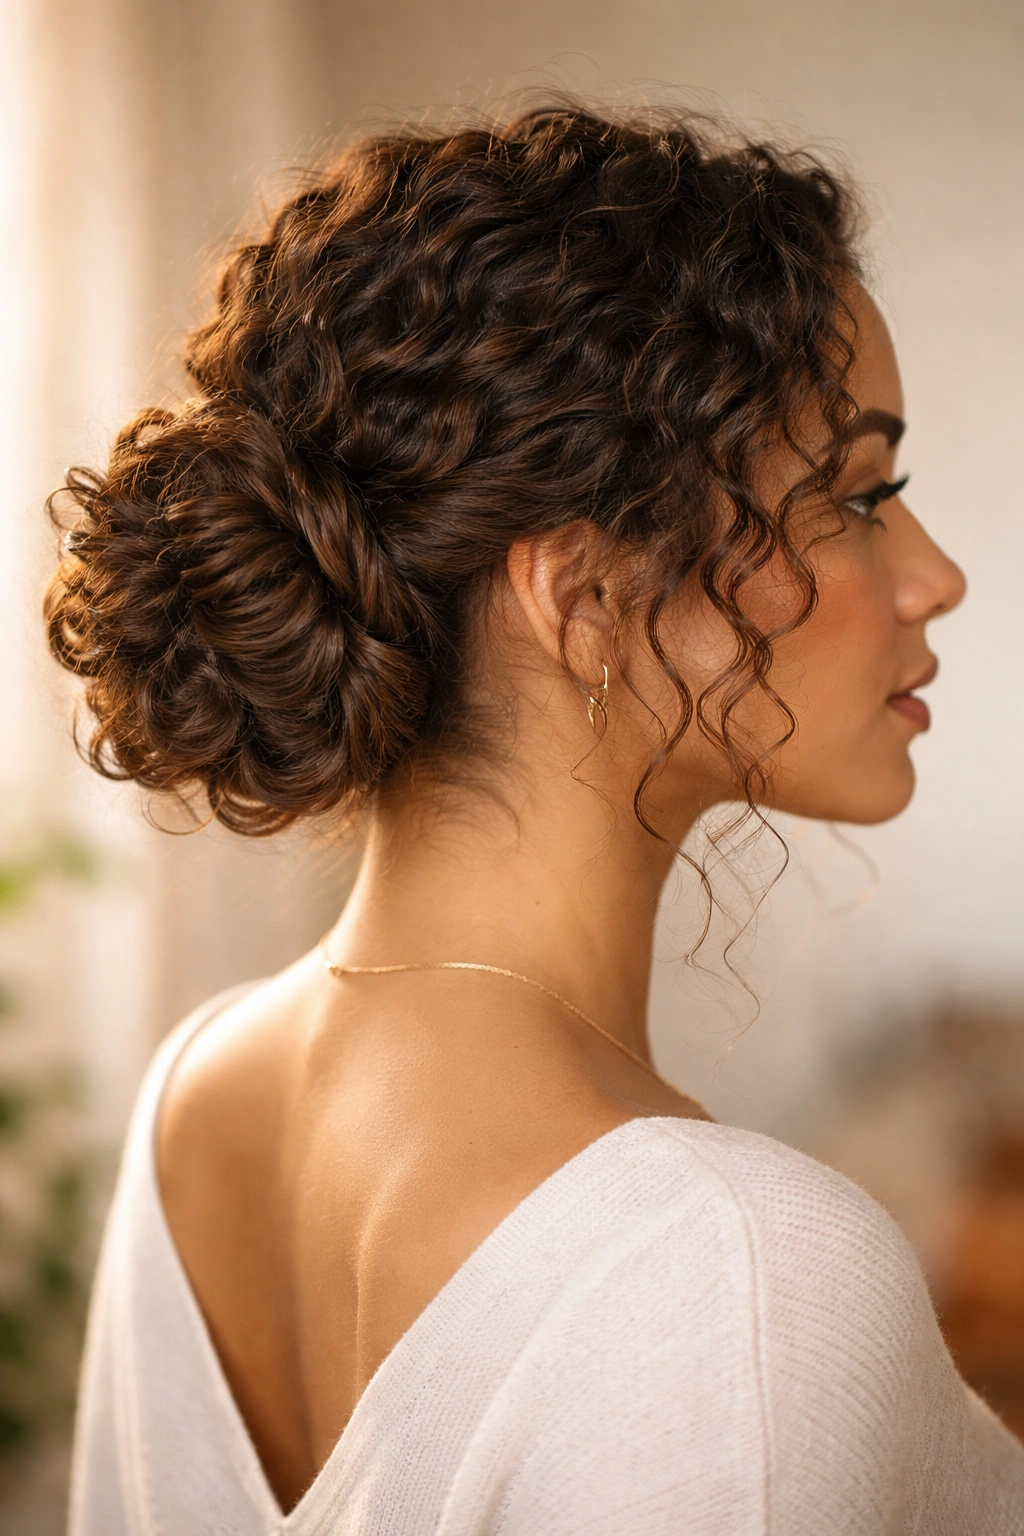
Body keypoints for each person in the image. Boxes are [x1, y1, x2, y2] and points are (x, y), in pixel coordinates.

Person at [47, 105, 1024, 1533]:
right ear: (583, 598)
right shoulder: (737, 1265)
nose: (933, 576)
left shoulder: (197, 1096)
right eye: (864, 493)